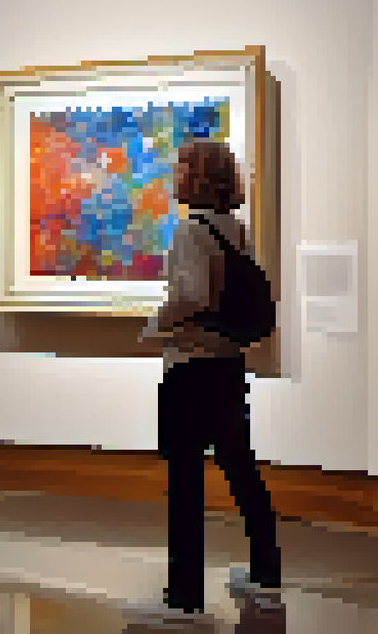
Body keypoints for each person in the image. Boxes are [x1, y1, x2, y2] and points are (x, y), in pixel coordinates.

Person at [137, 139, 283, 626]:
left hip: (191, 367)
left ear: (197, 176)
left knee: (184, 480)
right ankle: (266, 575)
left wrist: (157, 323)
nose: (175, 174)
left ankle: (184, 597)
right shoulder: (232, 228)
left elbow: (193, 293)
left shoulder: (189, 232)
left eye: (181, 167)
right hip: (227, 367)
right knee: (241, 469)